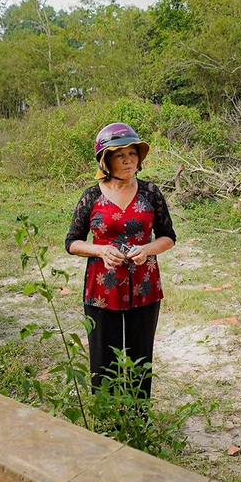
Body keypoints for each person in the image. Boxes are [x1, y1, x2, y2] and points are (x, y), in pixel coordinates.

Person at [64, 122, 177, 402]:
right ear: (105, 160)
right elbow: (72, 242)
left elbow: (168, 237)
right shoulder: (91, 196)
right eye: (119, 154)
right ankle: (106, 420)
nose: (128, 160)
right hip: (102, 291)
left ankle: (138, 417)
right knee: (104, 359)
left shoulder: (151, 193)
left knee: (141, 356)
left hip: (145, 288)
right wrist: (100, 251)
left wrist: (147, 248)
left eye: (132, 153)